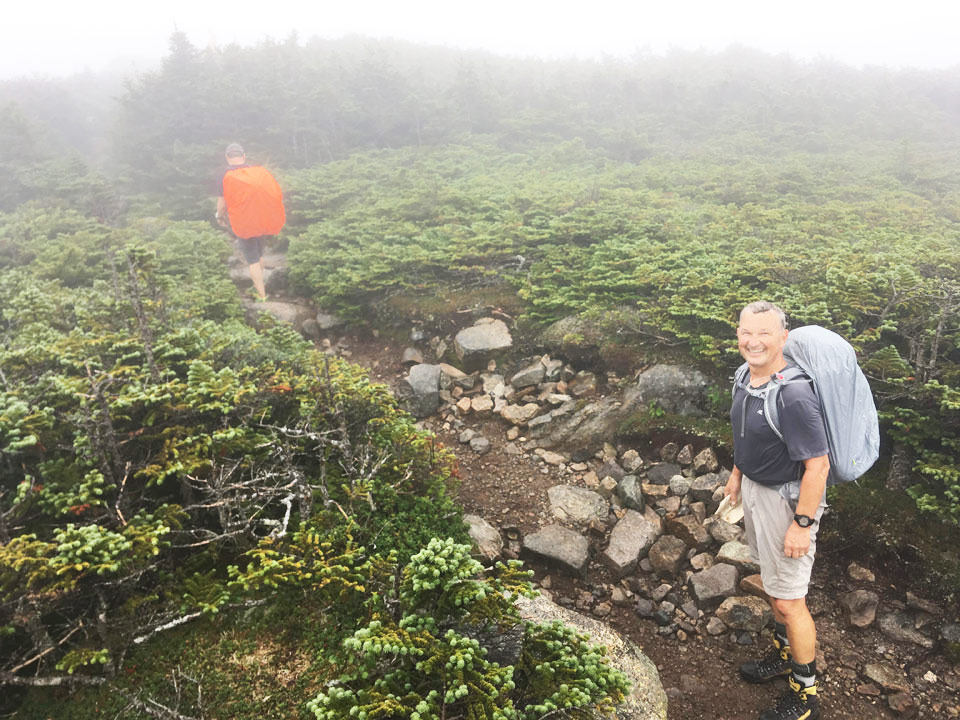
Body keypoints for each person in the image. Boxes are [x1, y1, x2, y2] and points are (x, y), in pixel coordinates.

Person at [725, 301, 829, 720]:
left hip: (787, 502)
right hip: (754, 488)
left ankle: (807, 697)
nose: (754, 341)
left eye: (765, 333)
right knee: (772, 585)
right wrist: (737, 473)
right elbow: (746, 432)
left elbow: (817, 465)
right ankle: (785, 657)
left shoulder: (794, 394)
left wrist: (802, 524)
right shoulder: (744, 377)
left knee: (789, 601)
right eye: (746, 332)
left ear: (783, 337)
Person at [215, 143, 273, 301]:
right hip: (260, 218)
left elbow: (222, 204)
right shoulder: (254, 172)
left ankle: (261, 295)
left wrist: (219, 216)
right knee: (259, 253)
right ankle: (261, 285)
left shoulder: (225, 176)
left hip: (242, 222)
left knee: (252, 259)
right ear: (244, 156)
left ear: (227, 157)